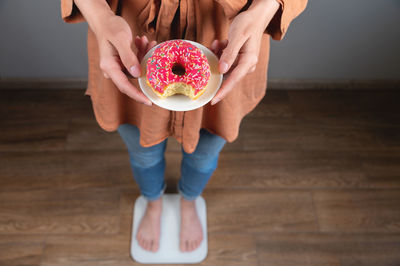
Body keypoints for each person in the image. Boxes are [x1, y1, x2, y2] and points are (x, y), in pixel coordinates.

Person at [61, 0, 307, 253]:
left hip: (225, 35)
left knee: (206, 152)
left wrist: (262, 10)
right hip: (130, 34)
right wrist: (100, 16)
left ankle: (189, 201)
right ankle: (153, 203)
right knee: (142, 150)